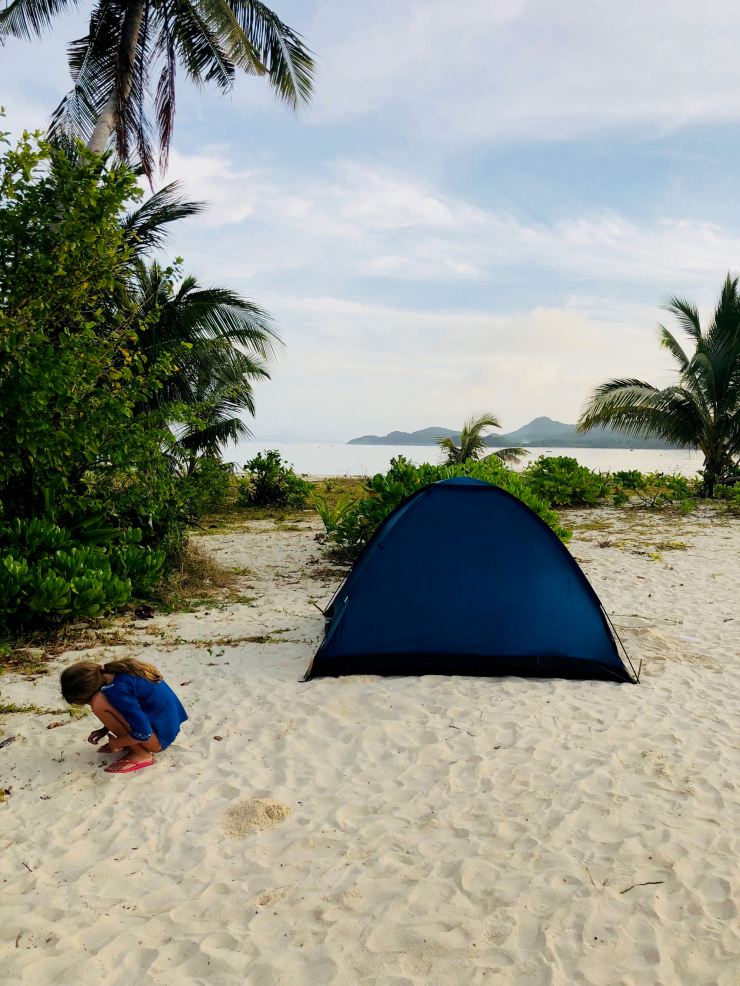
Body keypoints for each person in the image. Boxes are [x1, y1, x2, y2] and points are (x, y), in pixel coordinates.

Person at [60, 658, 187, 775]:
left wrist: (116, 742)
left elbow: (144, 733)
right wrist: (104, 730)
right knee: (101, 700)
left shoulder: (117, 690)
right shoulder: (115, 674)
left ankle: (141, 754)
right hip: (165, 728)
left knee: (98, 702)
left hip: (159, 740)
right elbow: (128, 710)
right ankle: (133, 746)